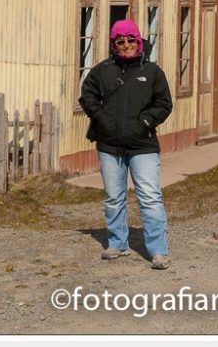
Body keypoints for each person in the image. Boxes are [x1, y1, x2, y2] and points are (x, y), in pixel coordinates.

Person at [79, 18, 174, 270]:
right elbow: (87, 95)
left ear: (139, 41)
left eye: (131, 39)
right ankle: (117, 243)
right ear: (114, 44)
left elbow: (164, 104)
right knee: (113, 197)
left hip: (143, 145)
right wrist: (101, 118)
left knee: (150, 197)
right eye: (120, 40)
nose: (126, 44)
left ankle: (158, 251)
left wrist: (145, 121)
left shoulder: (152, 72)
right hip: (109, 146)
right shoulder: (103, 70)